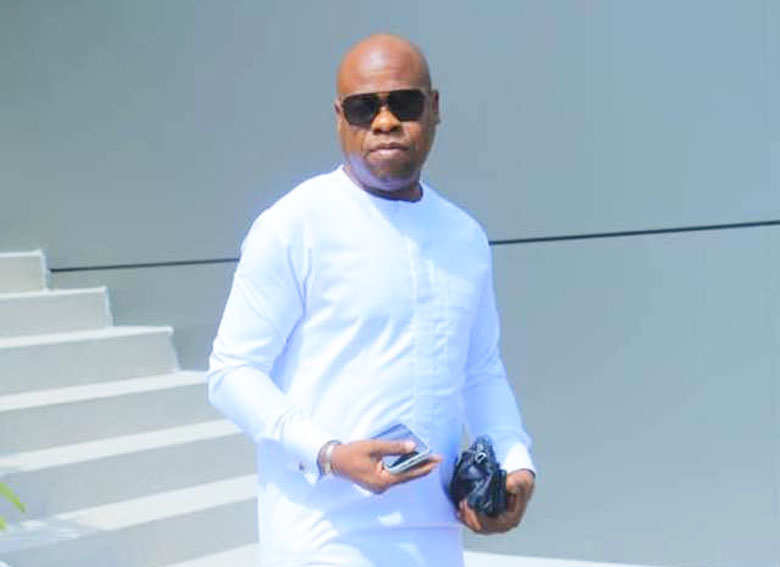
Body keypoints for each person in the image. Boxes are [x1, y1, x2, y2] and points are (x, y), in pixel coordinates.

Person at [208, 33, 536, 567]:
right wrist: (328, 453)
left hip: (433, 533)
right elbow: (232, 371)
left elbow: (480, 371)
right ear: (340, 117)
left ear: (434, 108)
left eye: (403, 103)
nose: (385, 122)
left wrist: (515, 462)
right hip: (322, 533)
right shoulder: (295, 225)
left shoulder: (463, 237)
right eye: (365, 108)